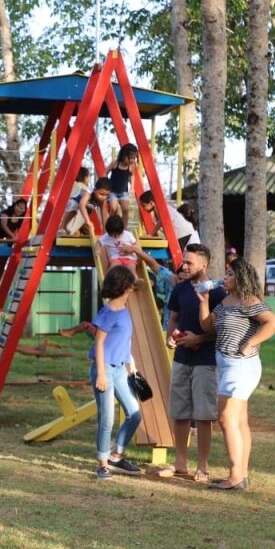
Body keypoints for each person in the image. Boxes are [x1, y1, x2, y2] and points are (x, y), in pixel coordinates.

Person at [198, 257, 275, 490]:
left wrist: (250, 342)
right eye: (225, 273)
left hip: (240, 365)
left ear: (241, 278)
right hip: (226, 363)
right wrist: (203, 300)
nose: (225, 277)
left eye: (230, 274)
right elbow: (207, 326)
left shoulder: (248, 301)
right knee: (240, 421)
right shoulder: (226, 301)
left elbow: (273, 323)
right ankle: (240, 475)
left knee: (226, 419)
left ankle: (235, 477)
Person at [162, 243, 226, 482]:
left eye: (189, 262)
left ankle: (202, 466)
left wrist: (199, 338)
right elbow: (174, 318)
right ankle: (180, 463)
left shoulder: (218, 292)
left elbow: (221, 329)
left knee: (203, 415)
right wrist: (171, 336)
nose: (184, 266)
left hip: (206, 362)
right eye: (183, 262)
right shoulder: (179, 290)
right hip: (181, 360)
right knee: (179, 412)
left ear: (203, 265)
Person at [89, 265, 143, 480]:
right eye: (131, 284)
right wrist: (101, 374)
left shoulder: (124, 309)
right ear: (125, 287)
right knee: (107, 419)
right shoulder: (108, 311)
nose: (134, 285)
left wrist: (131, 361)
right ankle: (103, 465)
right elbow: (99, 342)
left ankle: (116, 456)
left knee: (134, 413)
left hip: (120, 369)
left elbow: (122, 340)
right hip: (104, 370)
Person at [118, 243, 180, 332]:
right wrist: (137, 250)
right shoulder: (173, 280)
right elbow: (154, 264)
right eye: (178, 278)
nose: (178, 281)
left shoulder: (189, 291)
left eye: (180, 280)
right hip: (167, 331)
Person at [108, 143, 139, 228]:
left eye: (134, 158)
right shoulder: (115, 164)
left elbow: (132, 175)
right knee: (113, 208)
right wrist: (105, 184)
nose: (132, 160)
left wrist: (132, 186)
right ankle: (110, 226)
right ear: (123, 155)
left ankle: (124, 228)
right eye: (130, 158)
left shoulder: (131, 166)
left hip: (123, 192)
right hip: (112, 191)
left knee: (126, 209)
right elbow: (105, 172)